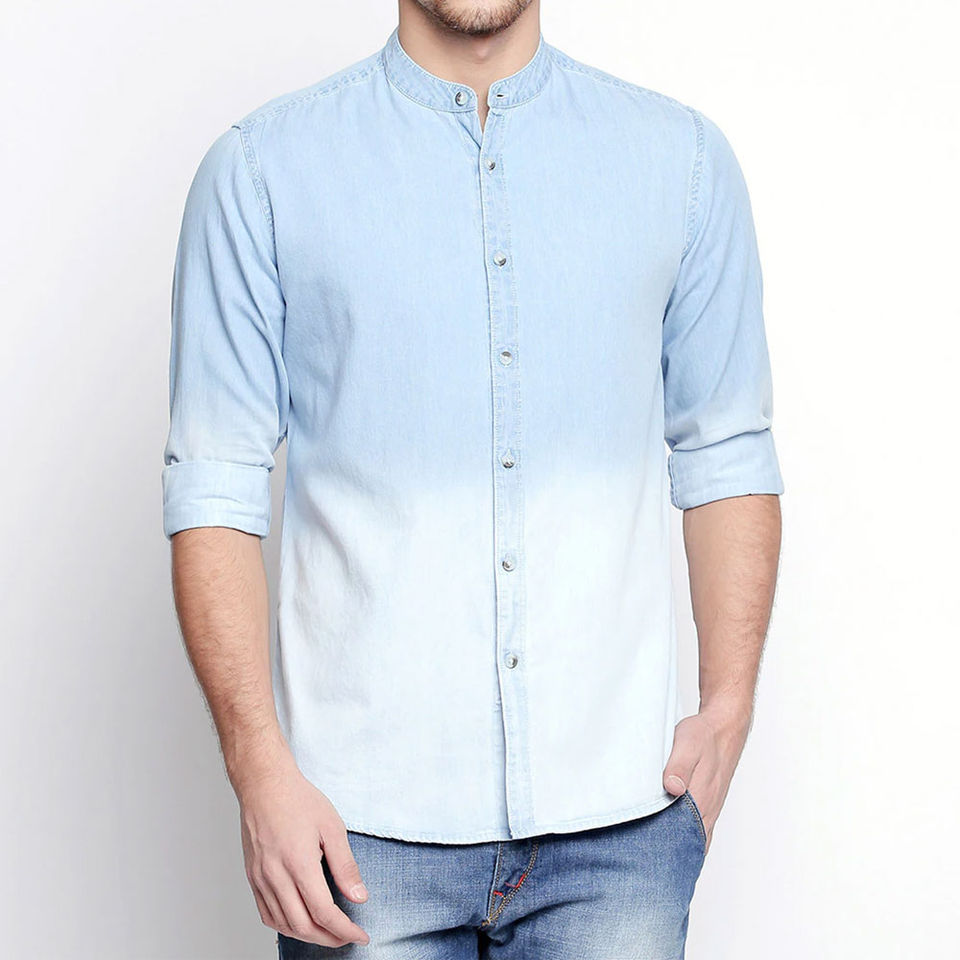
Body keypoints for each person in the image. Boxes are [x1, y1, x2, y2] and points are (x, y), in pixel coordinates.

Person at [161, 0, 784, 956]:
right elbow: (214, 486)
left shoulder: (683, 164)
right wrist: (257, 768)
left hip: (621, 825)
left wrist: (729, 706)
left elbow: (726, 452)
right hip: (355, 836)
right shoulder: (260, 173)